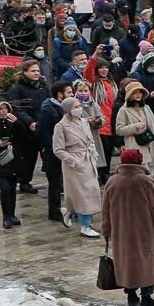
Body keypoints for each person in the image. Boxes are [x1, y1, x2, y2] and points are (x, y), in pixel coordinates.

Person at [101, 147, 154, 306]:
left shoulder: (112, 181)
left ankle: (131, 296)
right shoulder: (145, 181)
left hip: (120, 231)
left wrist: (106, 230)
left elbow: (105, 210)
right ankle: (147, 296)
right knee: (145, 261)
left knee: (125, 262)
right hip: (143, 230)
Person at [51, 94, 104, 237]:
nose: (79, 109)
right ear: (68, 109)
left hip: (88, 160)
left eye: (79, 106)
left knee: (91, 191)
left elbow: (90, 140)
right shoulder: (61, 126)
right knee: (83, 194)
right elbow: (58, 149)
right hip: (74, 163)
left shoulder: (84, 122)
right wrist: (73, 161)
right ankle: (85, 225)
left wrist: (93, 152)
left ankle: (69, 211)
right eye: (76, 107)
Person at [0, 97, 38, 230]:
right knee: (5, 189)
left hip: (13, 159)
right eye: (0, 109)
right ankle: (6, 217)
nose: (3, 111)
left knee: (12, 189)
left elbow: (26, 137)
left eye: (5, 108)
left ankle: (11, 214)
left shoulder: (12, 122)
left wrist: (18, 123)